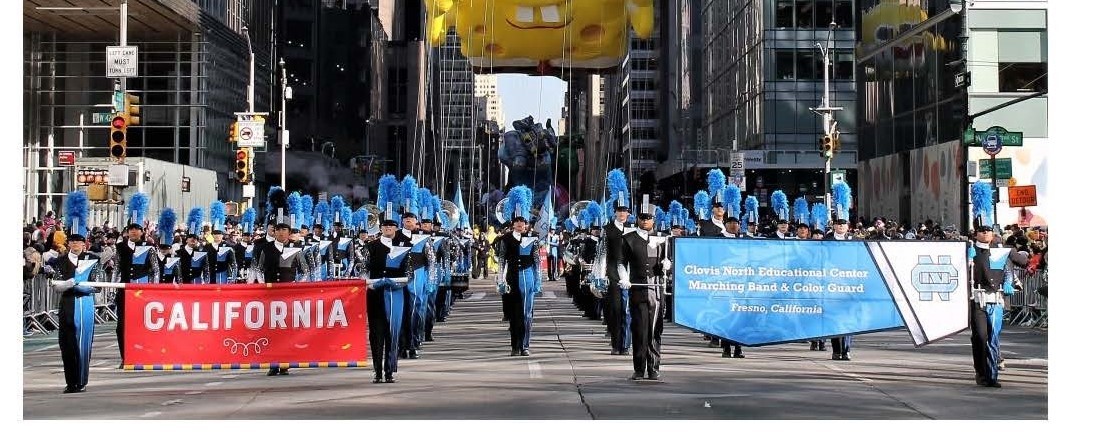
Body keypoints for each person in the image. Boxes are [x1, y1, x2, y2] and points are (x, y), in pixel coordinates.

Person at [969, 225, 1029, 388]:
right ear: (976, 234)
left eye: (988, 230)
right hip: (977, 299)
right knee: (980, 337)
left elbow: (1022, 262)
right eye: (982, 231)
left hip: (996, 298)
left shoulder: (1001, 250)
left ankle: (991, 376)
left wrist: (1013, 256)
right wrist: (967, 260)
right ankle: (981, 372)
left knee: (992, 338)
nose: (986, 233)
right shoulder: (969, 250)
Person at [49, 227, 104, 393]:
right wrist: (71, 282)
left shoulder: (92, 259)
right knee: (66, 344)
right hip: (67, 304)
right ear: (68, 243)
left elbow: (97, 285)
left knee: (82, 344)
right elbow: (56, 285)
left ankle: (81, 381)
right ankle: (70, 382)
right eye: (72, 241)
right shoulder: (60, 260)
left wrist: (79, 287)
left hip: (84, 305)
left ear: (83, 243)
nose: (75, 244)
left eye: (78, 241)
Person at [619, 201, 668, 380]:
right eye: (642, 217)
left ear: (654, 219)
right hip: (638, 289)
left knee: (655, 330)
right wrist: (624, 277)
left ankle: (654, 367)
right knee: (640, 329)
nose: (646, 221)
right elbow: (621, 263)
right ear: (637, 218)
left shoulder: (662, 239)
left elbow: (667, 262)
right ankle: (639, 368)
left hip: (656, 290)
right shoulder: (629, 239)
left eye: (649, 218)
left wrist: (667, 265)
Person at [365, 212, 413, 383]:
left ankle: (389, 371)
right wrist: (371, 284)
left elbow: (409, 273)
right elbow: (362, 270)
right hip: (375, 295)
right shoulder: (371, 246)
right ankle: (377, 371)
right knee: (376, 334)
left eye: (391, 226)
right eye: (385, 226)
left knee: (392, 333)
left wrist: (395, 283)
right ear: (380, 228)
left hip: (395, 295)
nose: (388, 228)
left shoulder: (405, 246)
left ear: (396, 228)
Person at [495, 188, 541, 357]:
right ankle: (515, 345)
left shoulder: (533, 238)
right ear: (512, 223)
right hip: (512, 276)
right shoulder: (505, 239)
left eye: (523, 221)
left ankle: (525, 345)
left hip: (528, 276)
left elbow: (537, 261)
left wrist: (538, 280)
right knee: (515, 313)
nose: (520, 224)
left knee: (527, 313)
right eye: (517, 221)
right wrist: (500, 279)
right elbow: (501, 260)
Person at [114, 222, 157, 359]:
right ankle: (125, 356)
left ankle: (142, 353)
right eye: (131, 230)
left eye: (136, 230)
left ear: (141, 232)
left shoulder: (149, 248)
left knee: (142, 324)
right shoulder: (120, 247)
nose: (133, 232)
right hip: (124, 291)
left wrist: (153, 289)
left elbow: (155, 270)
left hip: (142, 293)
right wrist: (113, 287)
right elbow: (117, 268)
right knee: (121, 326)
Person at [827, 218, 855, 360]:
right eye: (838, 224)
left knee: (848, 318)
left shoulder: (854, 241)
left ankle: (847, 350)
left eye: (843, 225)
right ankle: (836, 350)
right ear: (834, 226)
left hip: (850, 284)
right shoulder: (827, 241)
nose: (841, 227)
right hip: (831, 285)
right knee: (834, 319)